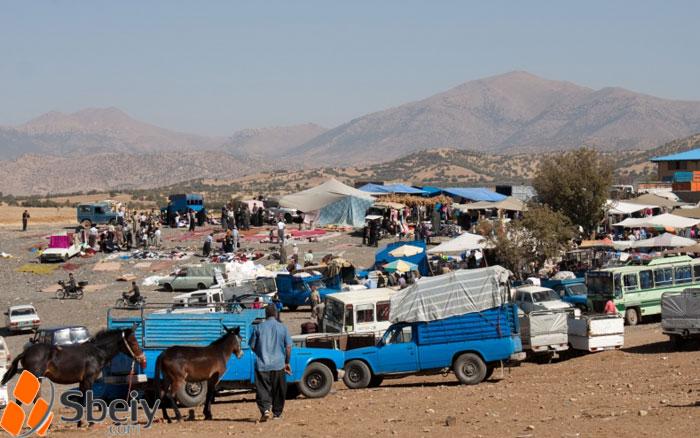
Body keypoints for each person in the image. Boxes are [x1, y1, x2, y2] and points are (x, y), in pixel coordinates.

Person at [249, 304, 292, 422]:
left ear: (265, 314)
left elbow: (252, 346)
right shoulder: (283, 328)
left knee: (262, 388)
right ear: (276, 314)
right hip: (278, 364)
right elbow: (288, 347)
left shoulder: (258, 328)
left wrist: (261, 351)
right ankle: (277, 414)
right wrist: (287, 362)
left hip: (262, 364)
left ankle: (265, 410)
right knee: (279, 389)